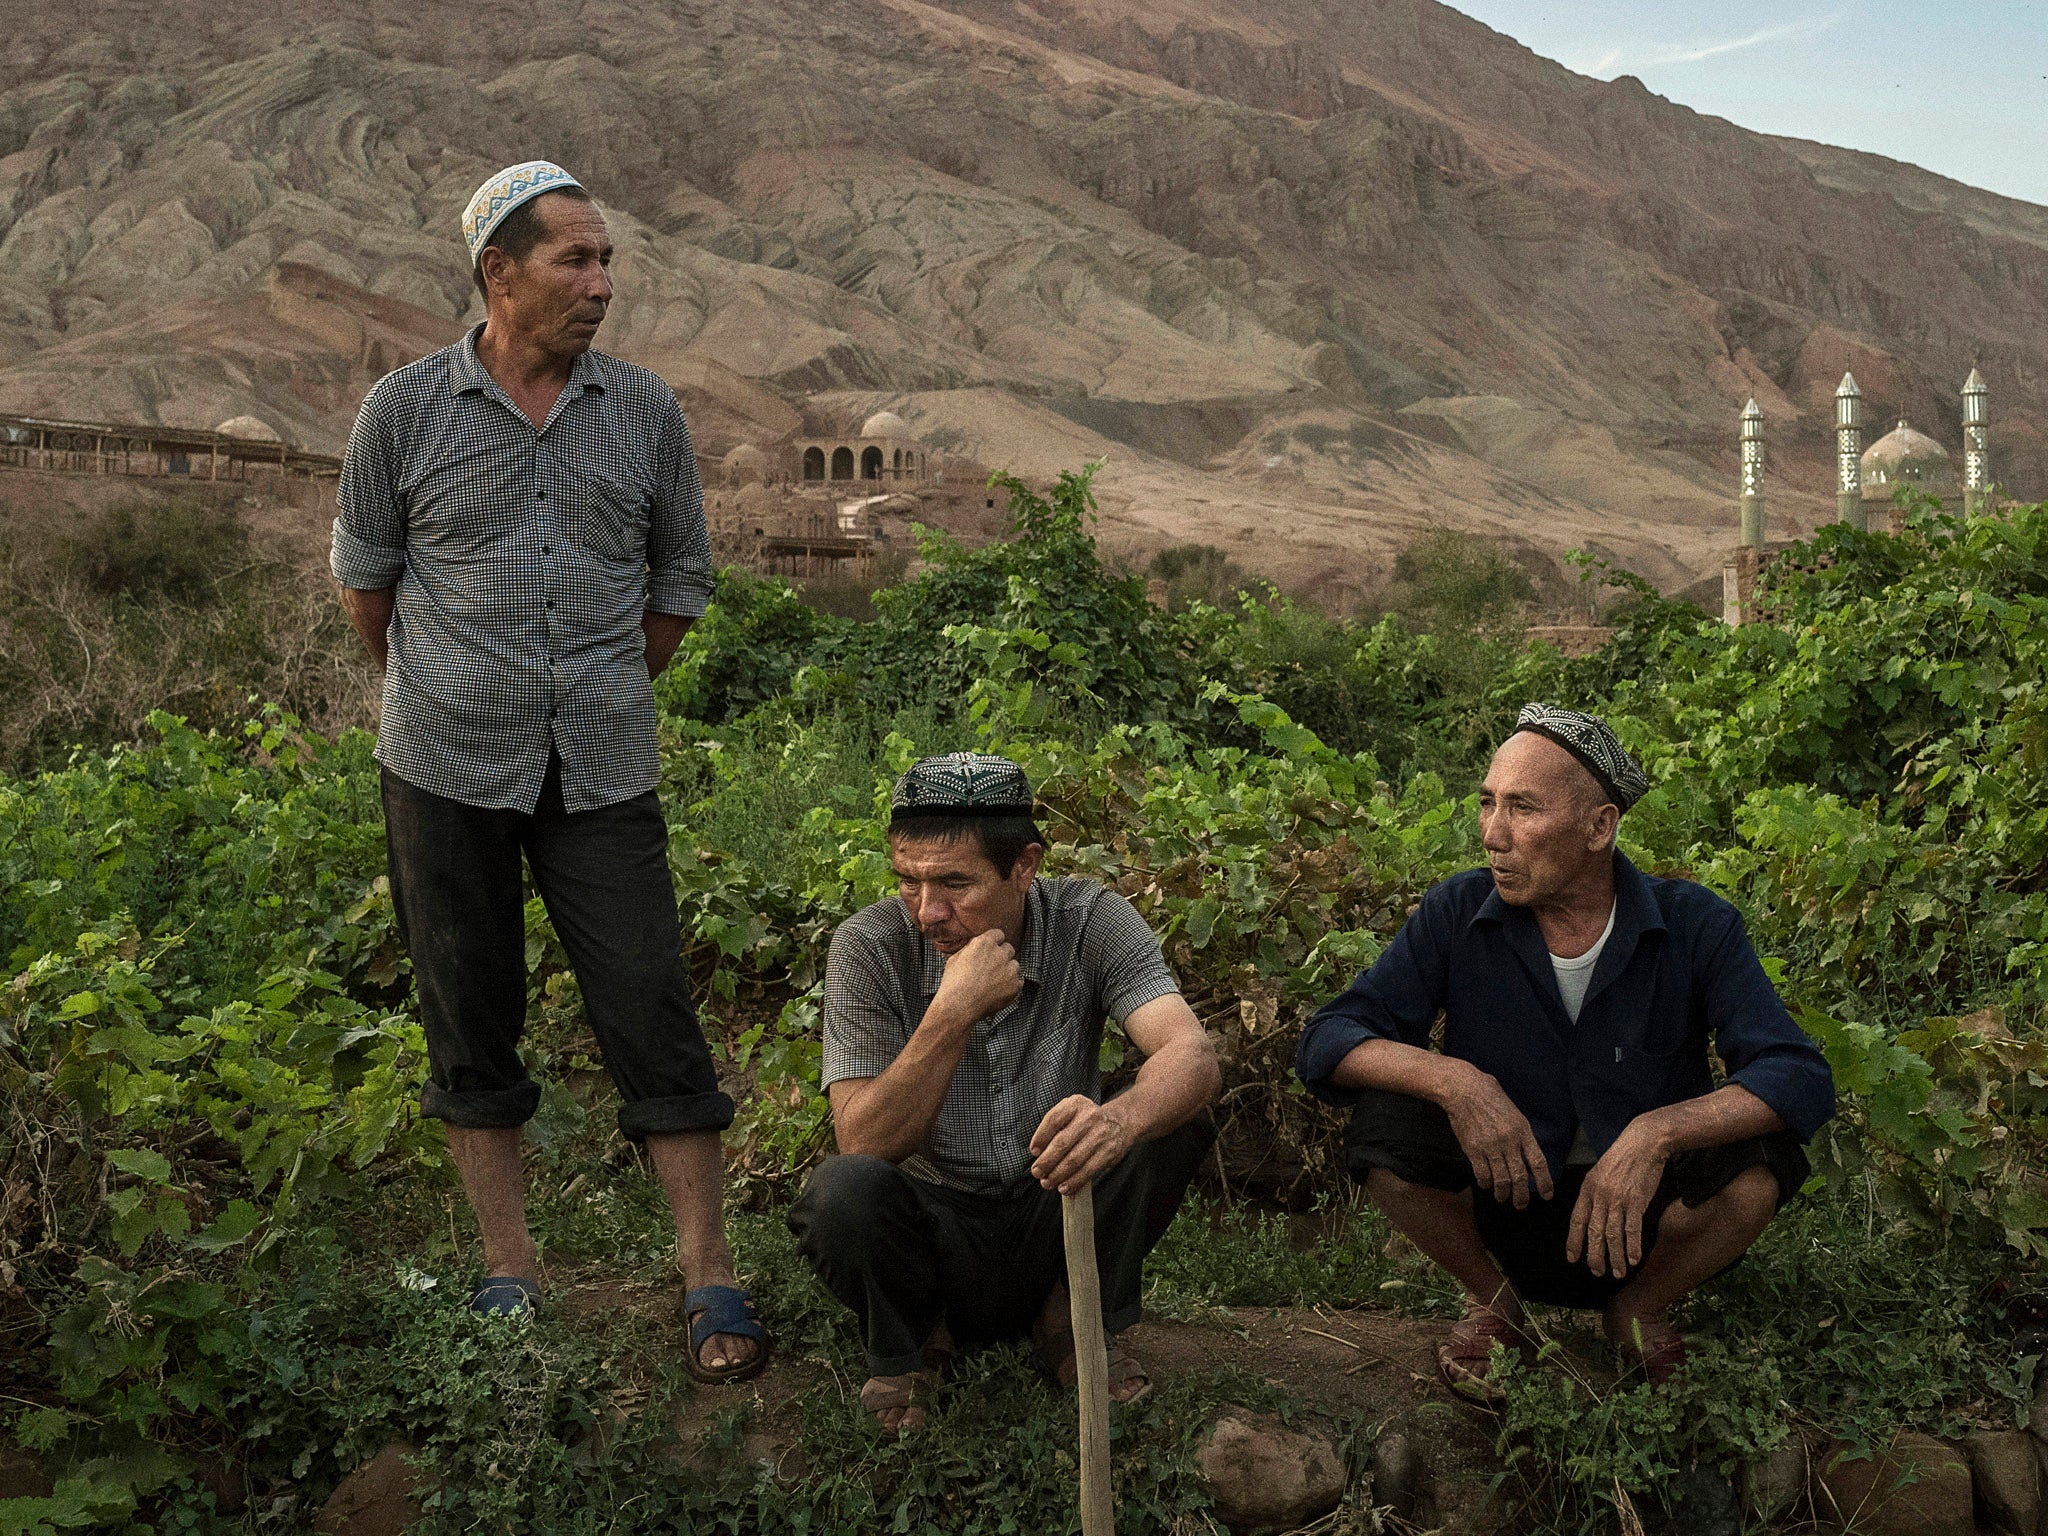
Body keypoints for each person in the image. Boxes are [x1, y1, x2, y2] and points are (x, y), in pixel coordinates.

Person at [329, 159, 765, 1382]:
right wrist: (452, 689)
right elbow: (368, 586)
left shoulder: (644, 412)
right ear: (496, 272)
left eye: (607, 260)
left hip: (603, 765)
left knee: (650, 1007)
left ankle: (706, 1276)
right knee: (469, 1017)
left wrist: (597, 679)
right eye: (576, 260)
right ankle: (512, 1273)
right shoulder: (403, 412)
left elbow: (679, 579)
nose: (602, 284)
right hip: (440, 766)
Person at [1295, 705, 1834, 1400]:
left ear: (1599, 827)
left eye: (1522, 808)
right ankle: (1495, 1303)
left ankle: (1640, 1309)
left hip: (1642, 1231)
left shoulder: (1695, 925)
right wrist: (1456, 1082)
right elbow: (1330, 1036)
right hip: (1506, 1211)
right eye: (1488, 803)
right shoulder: (1458, 913)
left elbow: (1798, 1075)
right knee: (1384, 1127)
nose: (1493, 834)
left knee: (1761, 1163)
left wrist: (1655, 1134)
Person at [787, 752, 1222, 1432]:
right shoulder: (867, 946)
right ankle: (919, 1338)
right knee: (841, 1192)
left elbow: (1191, 1054)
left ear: (1024, 867)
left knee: (1171, 1118)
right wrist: (951, 1011)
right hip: (932, 1226)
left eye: (955, 883)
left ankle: (1069, 1316)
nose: (929, 911)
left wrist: (1117, 1122)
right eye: (908, 882)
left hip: (1054, 1204)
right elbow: (864, 1141)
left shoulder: (1091, 920)